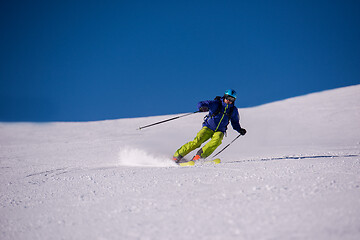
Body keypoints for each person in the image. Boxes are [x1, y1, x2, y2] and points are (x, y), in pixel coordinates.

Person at [173, 89, 247, 163]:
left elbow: (235, 122)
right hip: (208, 127)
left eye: (232, 99)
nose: (229, 101)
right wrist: (202, 107)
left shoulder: (233, 110)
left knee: (217, 141)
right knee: (197, 141)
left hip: (220, 130)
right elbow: (201, 103)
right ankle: (178, 155)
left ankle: (199, 156)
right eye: (228, 98)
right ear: (224, 96)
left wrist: (239, 129)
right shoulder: (216, 104)